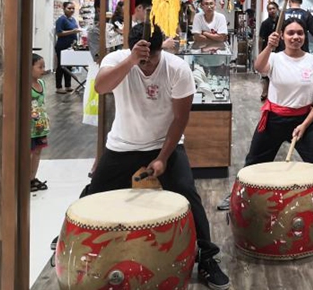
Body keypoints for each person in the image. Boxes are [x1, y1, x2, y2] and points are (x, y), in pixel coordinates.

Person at [89, 24, 230, 289]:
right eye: (140, 60)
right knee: (95, 193)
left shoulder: (176, 68)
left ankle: (208, 257)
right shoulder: (117, 60)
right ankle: (79, 243)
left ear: (159, 51)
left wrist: (163, 157)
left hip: (163, 143)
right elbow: (100, 87)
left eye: (150, 60)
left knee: (187, 193)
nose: (146, 66)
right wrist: (132, 60)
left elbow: (180, 118)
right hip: (123, 143)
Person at [217, 18, 313, 243]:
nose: (295, 37)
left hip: (303, 120)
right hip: (273, 119)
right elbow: (258, 67)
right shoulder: (274, 58)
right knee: (253, 161)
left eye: (300, 33)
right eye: (290, 33)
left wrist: (305, 124)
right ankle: (236, 196)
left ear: (305, 36)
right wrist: (268, 46)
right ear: (282, 35)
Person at [30, 54, 50, 192]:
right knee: (28, 152)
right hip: (29, 126)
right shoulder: (25, 85)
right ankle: (23, 179)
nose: (43, 69)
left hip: (41, 125)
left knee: (37, 152)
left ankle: (32, 178)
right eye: (40, 67)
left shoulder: (42, 83)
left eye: (44, 66)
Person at [54, 1, 82, 93]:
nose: (71, 10)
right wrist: (72, 32)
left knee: (69, 66)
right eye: (69, 8)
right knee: (61, 66)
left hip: (71, 46)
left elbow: (75, 30)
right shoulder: (61, 20)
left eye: (73, 8)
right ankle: (58, 87)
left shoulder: (73, 20)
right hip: (62, 46)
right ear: (64, 8)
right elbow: (59, 33)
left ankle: (68, 85)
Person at [258, 1, 280, 100]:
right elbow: (261, 39)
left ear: (277, 9)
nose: (271, 11)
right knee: (266, 74)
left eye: (273, 8)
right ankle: (265, 91)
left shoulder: (283, 22)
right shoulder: (265, 23)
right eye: (269, 9)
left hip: (280, 50)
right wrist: (260, 52)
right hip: (268, 51)